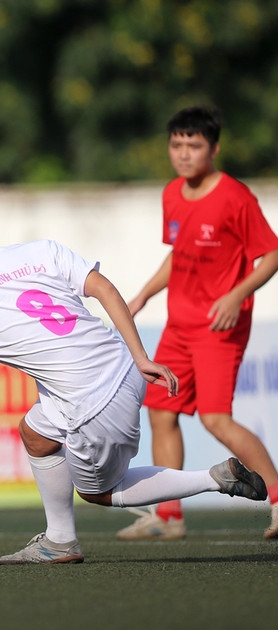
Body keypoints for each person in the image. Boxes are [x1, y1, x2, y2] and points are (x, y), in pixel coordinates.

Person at [0, 175, 267, 564]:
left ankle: (213, 479)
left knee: (100, 493)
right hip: (122, 367)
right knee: (35, 432)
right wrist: (141, 356)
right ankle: (59, 539)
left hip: (91, 401)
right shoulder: (41, 250)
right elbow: (104, 289)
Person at [117, 105, 278, 541]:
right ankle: (168, 515)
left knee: (215, 419)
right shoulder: (172, 193)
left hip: (218, 327)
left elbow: (271, 254)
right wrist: (144, 294)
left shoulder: (235, 197)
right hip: (179, 326)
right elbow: (180, 252)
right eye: (177, 144)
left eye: (194, 145)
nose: (184, 153)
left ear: (214, 149)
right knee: (162, 412)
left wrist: (237, 294)